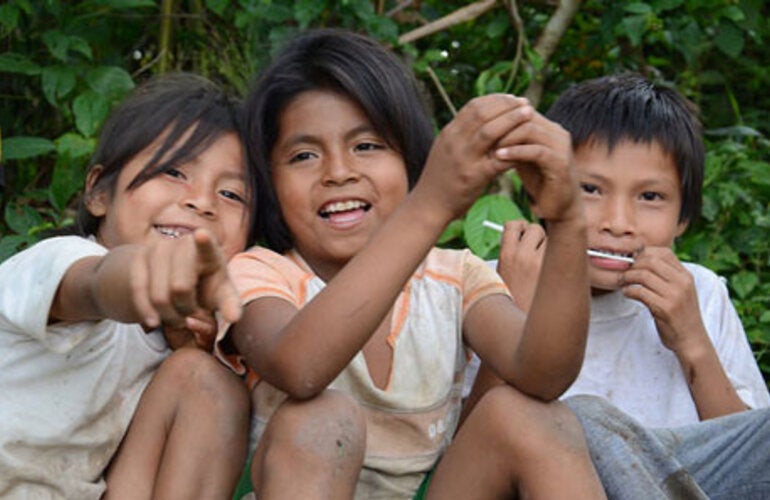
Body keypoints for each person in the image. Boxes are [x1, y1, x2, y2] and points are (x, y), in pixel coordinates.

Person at [217, 29, 605, 499]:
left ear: (412, 161)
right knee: (322, 418)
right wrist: (431, 204)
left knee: (535, 417)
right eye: (304, 155)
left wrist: (568, 221)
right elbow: (300, 368)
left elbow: (543, 375)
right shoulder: (257, 273)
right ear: (269, 184)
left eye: (367, 146)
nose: (339, 172)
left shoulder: (455, 278)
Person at [469, 73, 770, 497]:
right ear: (542, 192)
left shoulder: (700, 293)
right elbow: (465, 459)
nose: (618, 223)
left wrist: (693, 342)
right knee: (578, 421)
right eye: (590, 189)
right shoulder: (492, 285)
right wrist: (513, 313)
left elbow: (745, 457)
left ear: (683, 218)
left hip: (691, 481)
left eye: (650, 197)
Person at [0, 73, 255, 498]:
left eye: (232, 194)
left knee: (211, 384)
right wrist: (149, 273)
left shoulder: (182, 342)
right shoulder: (60, 260)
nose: (202, 201)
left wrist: (191, 346)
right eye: (174, 171)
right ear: (99, 193)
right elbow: (97, 284)